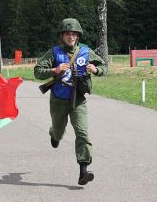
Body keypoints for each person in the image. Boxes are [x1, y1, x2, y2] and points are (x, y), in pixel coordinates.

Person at [34, 18, 107, 185]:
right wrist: (55, 69)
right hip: (58, 101)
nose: (71, 36)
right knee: (59, 132)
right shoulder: (54, 53)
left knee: (82, 133)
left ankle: (83, 171)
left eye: (74, 34)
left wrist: (96, 70)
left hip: (78, 100)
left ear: (78, 36)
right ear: (62, 36)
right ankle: (54, 134)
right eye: (67, 33)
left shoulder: (86, 52)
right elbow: (37, 72)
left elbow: (104, 67)